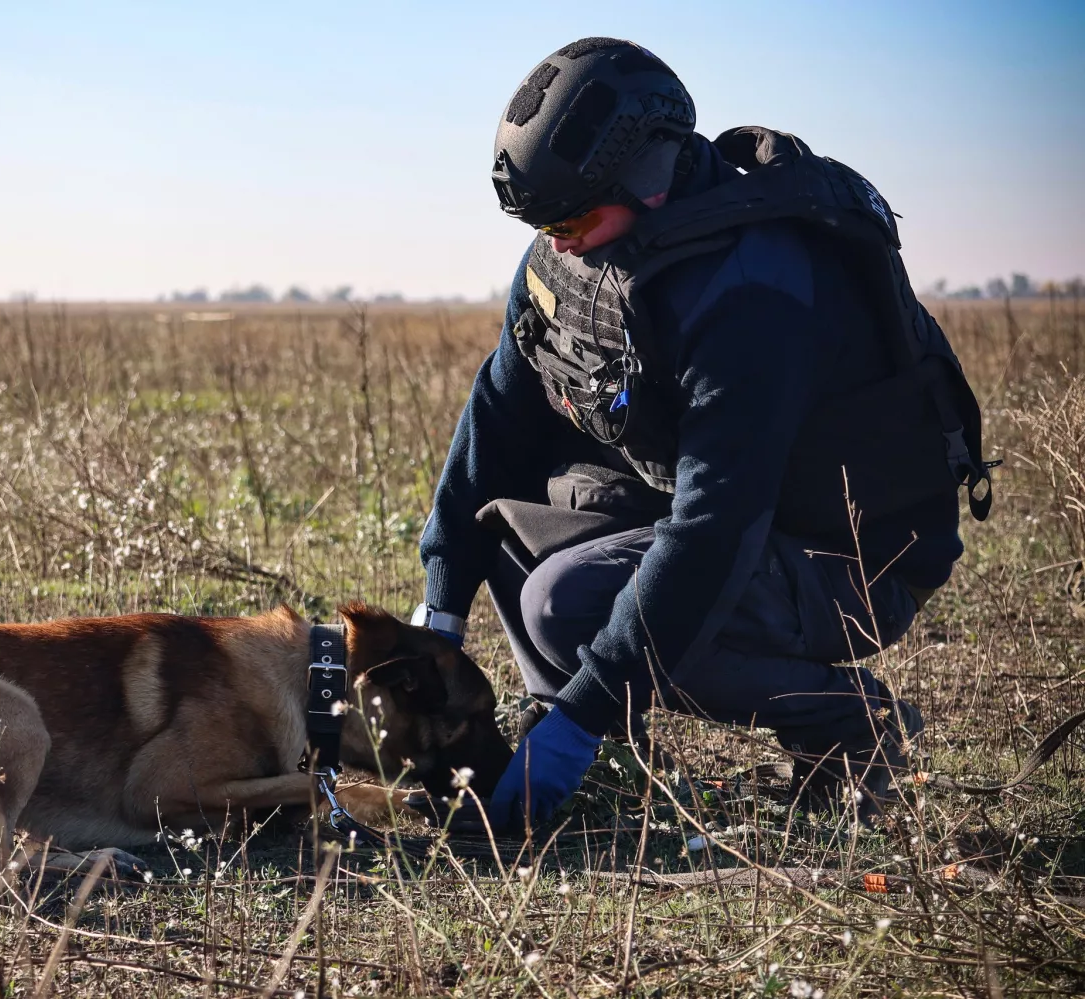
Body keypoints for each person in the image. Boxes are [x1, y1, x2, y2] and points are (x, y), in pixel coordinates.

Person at [409, 37, 994, 830]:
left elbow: (715, 530)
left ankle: (849, 726)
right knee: (508, 529)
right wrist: (440, 608)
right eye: (539, 220)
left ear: (648, 180)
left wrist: (585, 712)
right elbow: (500, 409)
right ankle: (601, 759)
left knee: (563, 602)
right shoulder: (572, 243)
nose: (555, 239)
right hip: (730, 515)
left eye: (572, 217)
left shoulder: (751, 292)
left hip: (855, 556)